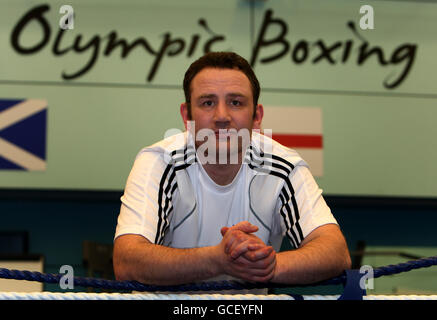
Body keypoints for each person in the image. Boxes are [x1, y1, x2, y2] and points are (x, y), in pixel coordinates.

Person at [113, 52, 351, 292]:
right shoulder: (159, 162)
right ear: (187, 116)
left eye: (236, 102)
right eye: (208, 102)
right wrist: (216, 260)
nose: (222, 117)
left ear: (256, 117)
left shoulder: (284, 166)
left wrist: (269, 264)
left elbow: (335, 251)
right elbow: (126, 260)